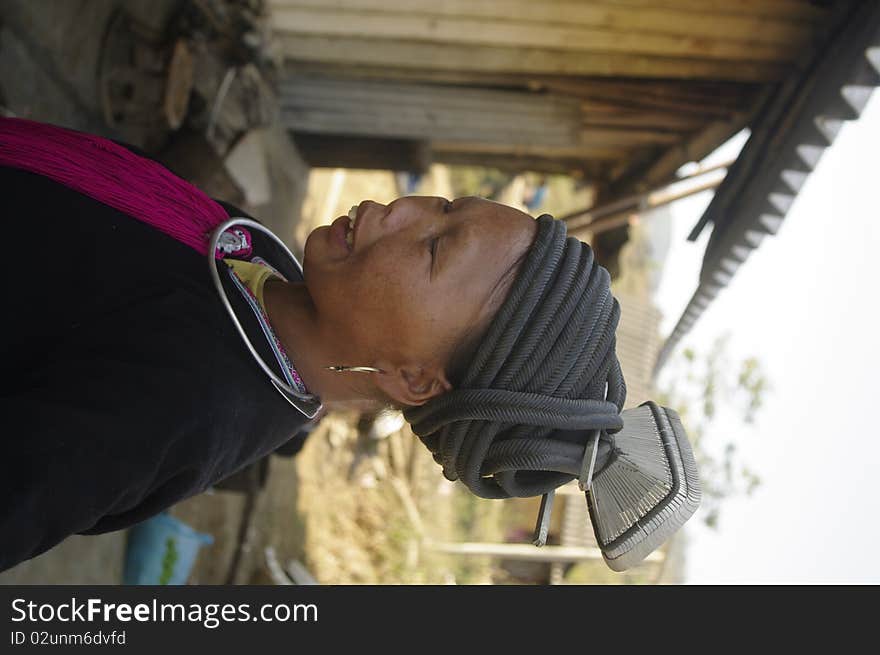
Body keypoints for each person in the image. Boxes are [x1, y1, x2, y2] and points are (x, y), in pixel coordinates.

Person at [0, 118, 696, 574]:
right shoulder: (257, 268)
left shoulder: (180, 400)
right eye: (446, 208)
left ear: (415, 379)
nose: (402, 210)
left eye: (431, 248)